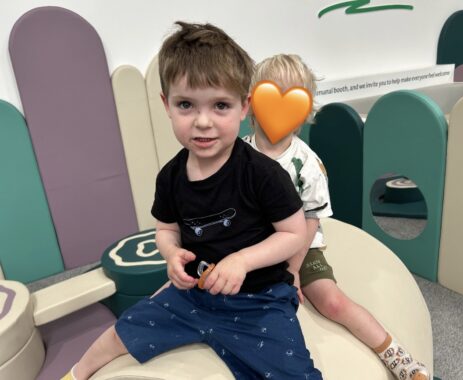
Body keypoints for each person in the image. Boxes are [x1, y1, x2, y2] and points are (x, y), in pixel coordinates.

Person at [61, 23, 322, 380]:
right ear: (166, 105)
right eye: (186, 104)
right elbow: (166, 228)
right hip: (193, 296)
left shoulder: (262, 173)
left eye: (220, 106)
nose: (203, 122)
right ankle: (76, 374)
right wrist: (170, 253)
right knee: (123, 329)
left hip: (259, 299)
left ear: (244, 106)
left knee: (296, 373)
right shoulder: (170, 176)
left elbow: (293, 233)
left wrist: (242, 261)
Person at [243, 53, 430, 380]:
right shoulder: (239, 154)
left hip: (299, 247)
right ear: (252, 104)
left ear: (302, 114)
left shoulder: (308, 164)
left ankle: (397, 355)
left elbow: (311, 219)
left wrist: (293, 270)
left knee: (331, 301)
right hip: (253, 246)